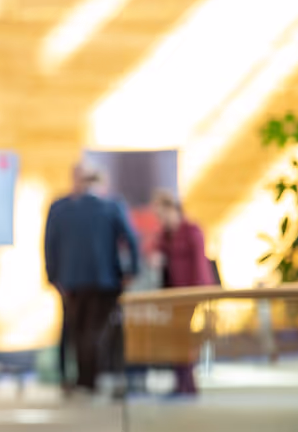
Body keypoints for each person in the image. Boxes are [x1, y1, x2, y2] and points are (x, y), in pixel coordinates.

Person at [45, 161, 140, 395]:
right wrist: (132, 272)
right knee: (95, 331)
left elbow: (49, 245)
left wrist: (53, 276)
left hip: (70, 281)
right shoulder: (111, 206)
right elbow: (132, 239)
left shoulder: (60, 208)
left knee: (77, 332)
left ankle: (83, 379)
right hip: (104, 280)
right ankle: (93, 378)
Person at [152, 189, 214, 395]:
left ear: (173, 209)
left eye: (162, 215)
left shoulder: (192, 231)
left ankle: (187, 382)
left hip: (191, 293)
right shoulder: (165, 236)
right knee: (177, 337)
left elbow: (200, 265)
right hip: (174, 295)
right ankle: (183, 382)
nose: (161, 220)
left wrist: (197, 294)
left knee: (184, 337)